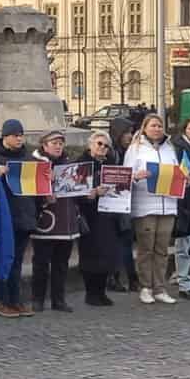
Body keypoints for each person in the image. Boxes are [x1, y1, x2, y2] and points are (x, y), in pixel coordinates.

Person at [125, 113, 181, 306]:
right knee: (146, 248)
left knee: (162, 249)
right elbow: (126, 175)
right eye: (153, 126)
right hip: (145, 205)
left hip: (168, 205)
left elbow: (176, 173)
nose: (157, 129)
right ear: (145, 128)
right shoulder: (136, 149)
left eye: (159, 126)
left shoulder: (169, 149)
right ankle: (145, 287)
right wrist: (136, 176)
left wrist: (184, 179)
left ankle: (160, 287)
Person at [0, 119, 35, 318]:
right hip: (2, 217)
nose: (20, 139)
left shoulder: (28, 158)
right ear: (5, 137)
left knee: (17, 262)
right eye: (16, 135)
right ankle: (1, 301)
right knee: (2, 260)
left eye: (21, 135)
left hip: (23, 216)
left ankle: (15, 300)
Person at [29, 128, 82, 311]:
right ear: (44, 145)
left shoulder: (69, 164)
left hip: (66, 222)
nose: (58, 146)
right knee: (41, 263)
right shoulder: (35, 164)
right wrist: (44, 196)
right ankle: (37, 299)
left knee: (61, 264)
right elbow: (28, 192)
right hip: (46, 222)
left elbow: (77, 191)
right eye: (54, 143)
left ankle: (58, 299)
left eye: (61, 143)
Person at [77, 131, 121, 307]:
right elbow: (75, 190)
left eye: (106, 145)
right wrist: (94, 192)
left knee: (107, 254)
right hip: (88, 215)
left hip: (107, 214)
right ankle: (91, 293)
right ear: (90, 145)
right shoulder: (81, 164)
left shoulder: (111, 165)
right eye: (99, 144)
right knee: (90, 255)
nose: (103, 147)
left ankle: (101, 292)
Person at [169, 117, 190, 305]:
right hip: (185, 201)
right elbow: (178, 173)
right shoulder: (180, 148)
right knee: (184, 244)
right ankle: (184, 282)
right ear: (184, 131)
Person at [105, 117, 140, 293]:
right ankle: (118, 277)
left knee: (126, 240)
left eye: (131, 132)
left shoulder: (129, 152)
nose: (130, 136)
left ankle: (129, 278)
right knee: (120, 241)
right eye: (126, 132)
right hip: (114, 202)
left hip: (125, 200)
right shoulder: (112, 153)